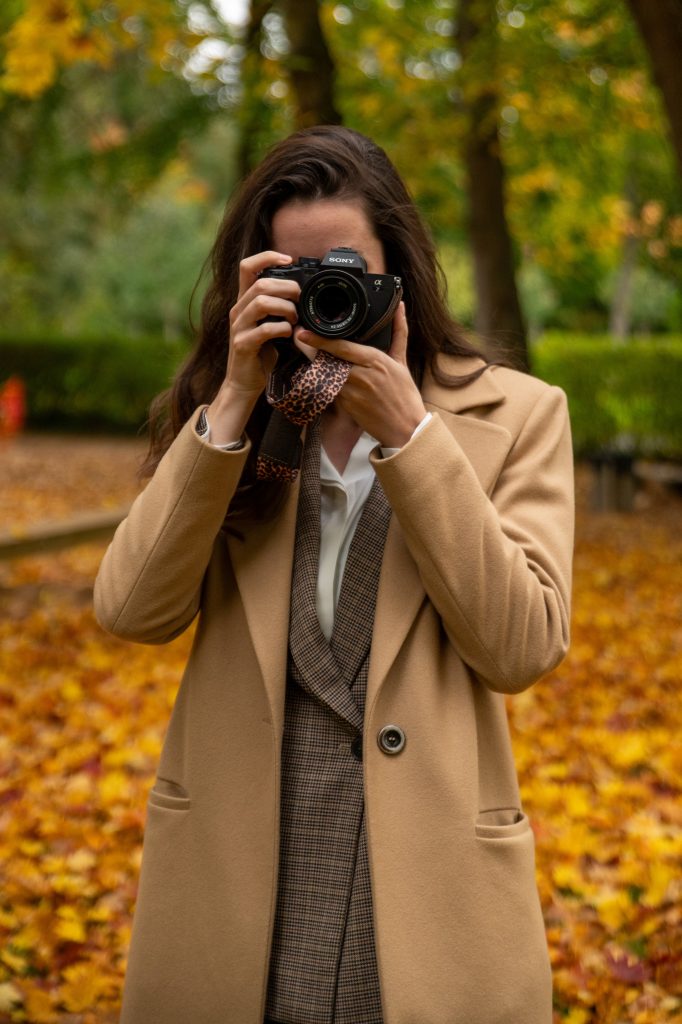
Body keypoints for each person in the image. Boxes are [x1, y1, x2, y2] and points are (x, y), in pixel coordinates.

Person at [94, 125, 574, 1024]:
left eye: (346, 267)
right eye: (295, 270)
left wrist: (413, 436)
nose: (325, 291)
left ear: (400, 268)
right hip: (244, 868)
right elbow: (130, 609)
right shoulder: (231, 413)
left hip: (429, 883)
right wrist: (233, 399)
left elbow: (522, 647)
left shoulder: (517, 414)